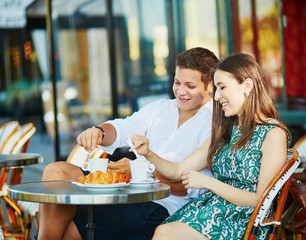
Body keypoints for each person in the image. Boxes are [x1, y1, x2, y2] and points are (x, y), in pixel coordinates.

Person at [38, 47, 219, 240]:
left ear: (210, 86)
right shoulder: (160, 108)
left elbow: (192, 188)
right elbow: (124, 127)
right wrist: (99, 132)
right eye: (177, 83)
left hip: (161, 206)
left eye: (190, 86)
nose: (181, 91)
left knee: (67, 224)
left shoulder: (214, 123)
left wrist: (139, 174)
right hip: (124, 191)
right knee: (56, 171)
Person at [131, 53, 291, 240]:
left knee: (166, 233)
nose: (216, 96)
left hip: (245, 221)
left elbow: (260, 199)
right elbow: (176, 171)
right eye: (216, 88)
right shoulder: (225, 131)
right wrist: (148, 153)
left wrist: (207, 182)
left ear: (247, 86)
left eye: (222, 87)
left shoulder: (272, 134)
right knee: (162, 230)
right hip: (213, 211)